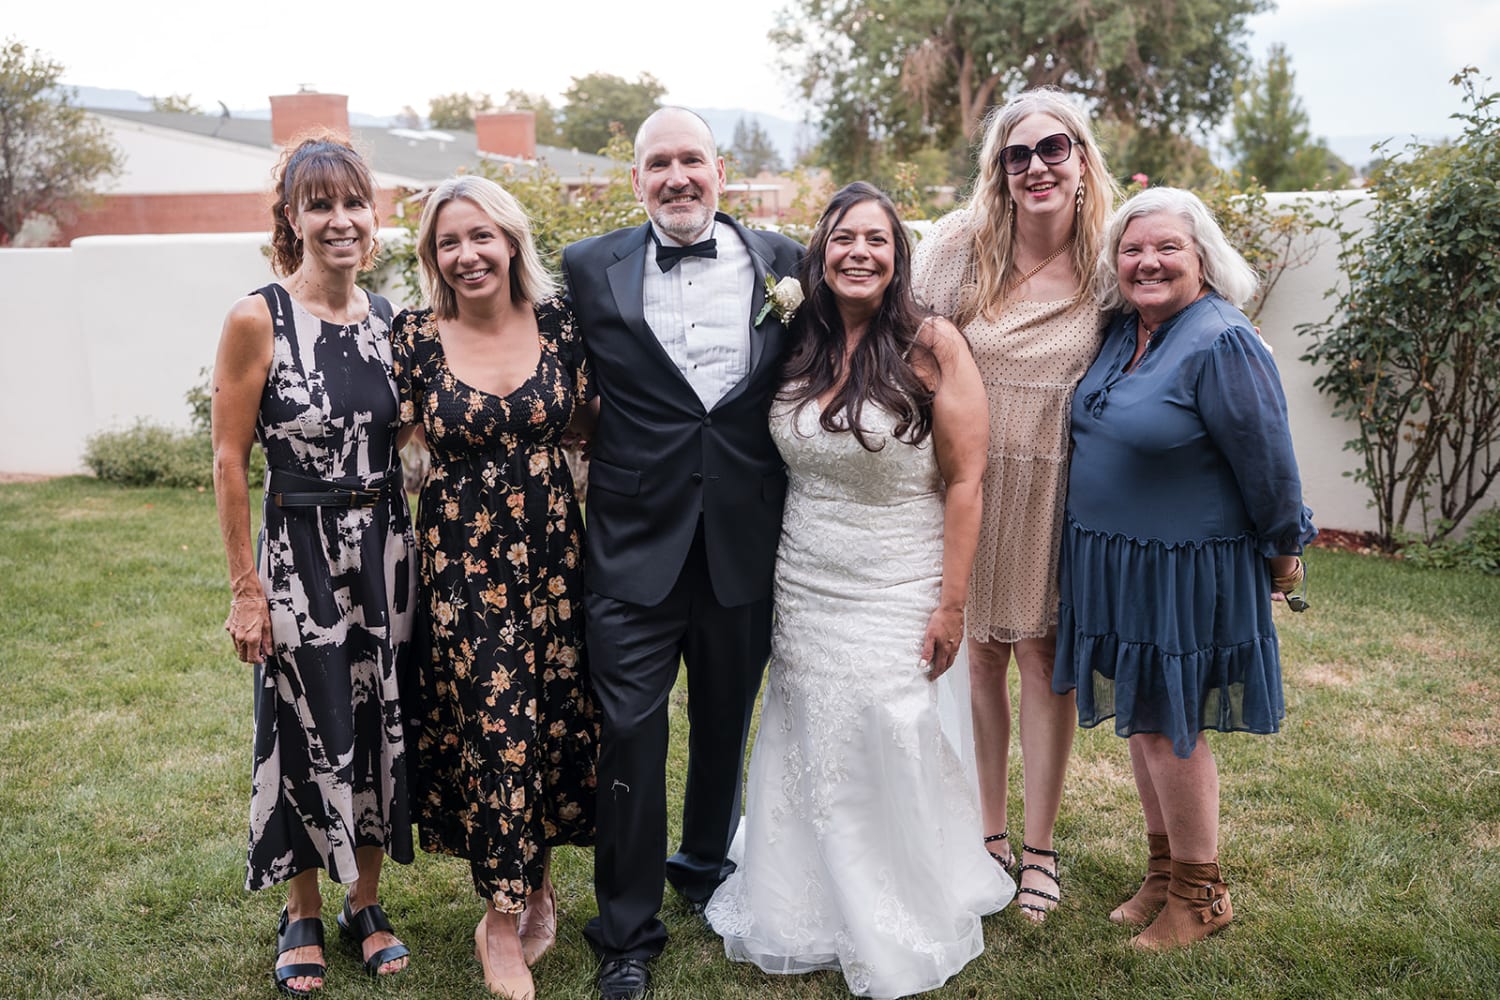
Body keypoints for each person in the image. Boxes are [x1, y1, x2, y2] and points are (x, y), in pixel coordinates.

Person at [705, 182, 1014, 998]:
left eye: (876, 240)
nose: (859, 253)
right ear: (820, 251)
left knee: (885, 716)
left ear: (897, 256)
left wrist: (951, 604)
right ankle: (801, 898)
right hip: (805, 575)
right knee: (807, 719)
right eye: (844, 238)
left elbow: (967, 480)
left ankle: (901, 893)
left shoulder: (933, 344)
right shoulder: (794, 339)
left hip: (897, 577)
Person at [560, 107, 803, 1000]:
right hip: (631, 542)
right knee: (630, 731)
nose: (676, 177)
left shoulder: (786, 262)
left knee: (726, 717)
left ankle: (704, 863)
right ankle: (625, 932)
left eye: (690, 159)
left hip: (745, 536)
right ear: (636, 180)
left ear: (719, 171)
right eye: (657, 163)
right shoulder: (588, 266)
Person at [1052, 186, 1315, 949]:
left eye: (1168, 247)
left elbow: (1269, 463)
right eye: (1132, 249)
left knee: (1171, 725)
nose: (1148, 262)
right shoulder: (1126, 331)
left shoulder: (1220, 340)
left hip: (1184, 569)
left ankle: (1201, 897)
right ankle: (1165, 873)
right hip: (1119, 564)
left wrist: (1284, 554)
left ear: (1203, 258)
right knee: (1145, 719)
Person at [211, 131, 414, 996]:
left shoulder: (391, 320)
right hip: (299, 550)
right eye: (319, 204)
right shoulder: (257, 317)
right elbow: (229, 459)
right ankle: (301, 910)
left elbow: (409, 439)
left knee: (376, 716)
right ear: (291, 218)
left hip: (385, 549)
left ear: (374, 215)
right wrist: (245, 590)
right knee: (302, 720)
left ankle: (364, 901)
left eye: (353, 203)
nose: (340, 220)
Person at [911, 86, 1121, 921]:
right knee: (978, 657)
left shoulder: (1110, 260)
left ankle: (1040, 848)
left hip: (1057, 488)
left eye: (1053, 149)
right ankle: (988, 831)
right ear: (999, 170)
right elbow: (908, 347)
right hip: (966, 482)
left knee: (1042, 657)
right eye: (1017, 154)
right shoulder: (959, 249)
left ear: (1081, 160)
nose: (1036, 167)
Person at [391, 174, 599, 1000]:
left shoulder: (562, 324)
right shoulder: (415, 336)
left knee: (547, 722)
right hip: (463, 565)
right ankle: (501, 924)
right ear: (433, 256)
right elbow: (385, 443)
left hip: (555, 560)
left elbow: (589, 424)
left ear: (511, 241)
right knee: (494, 724)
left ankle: (539, 887)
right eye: (449, 242)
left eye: (481, 236)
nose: (467, 254)